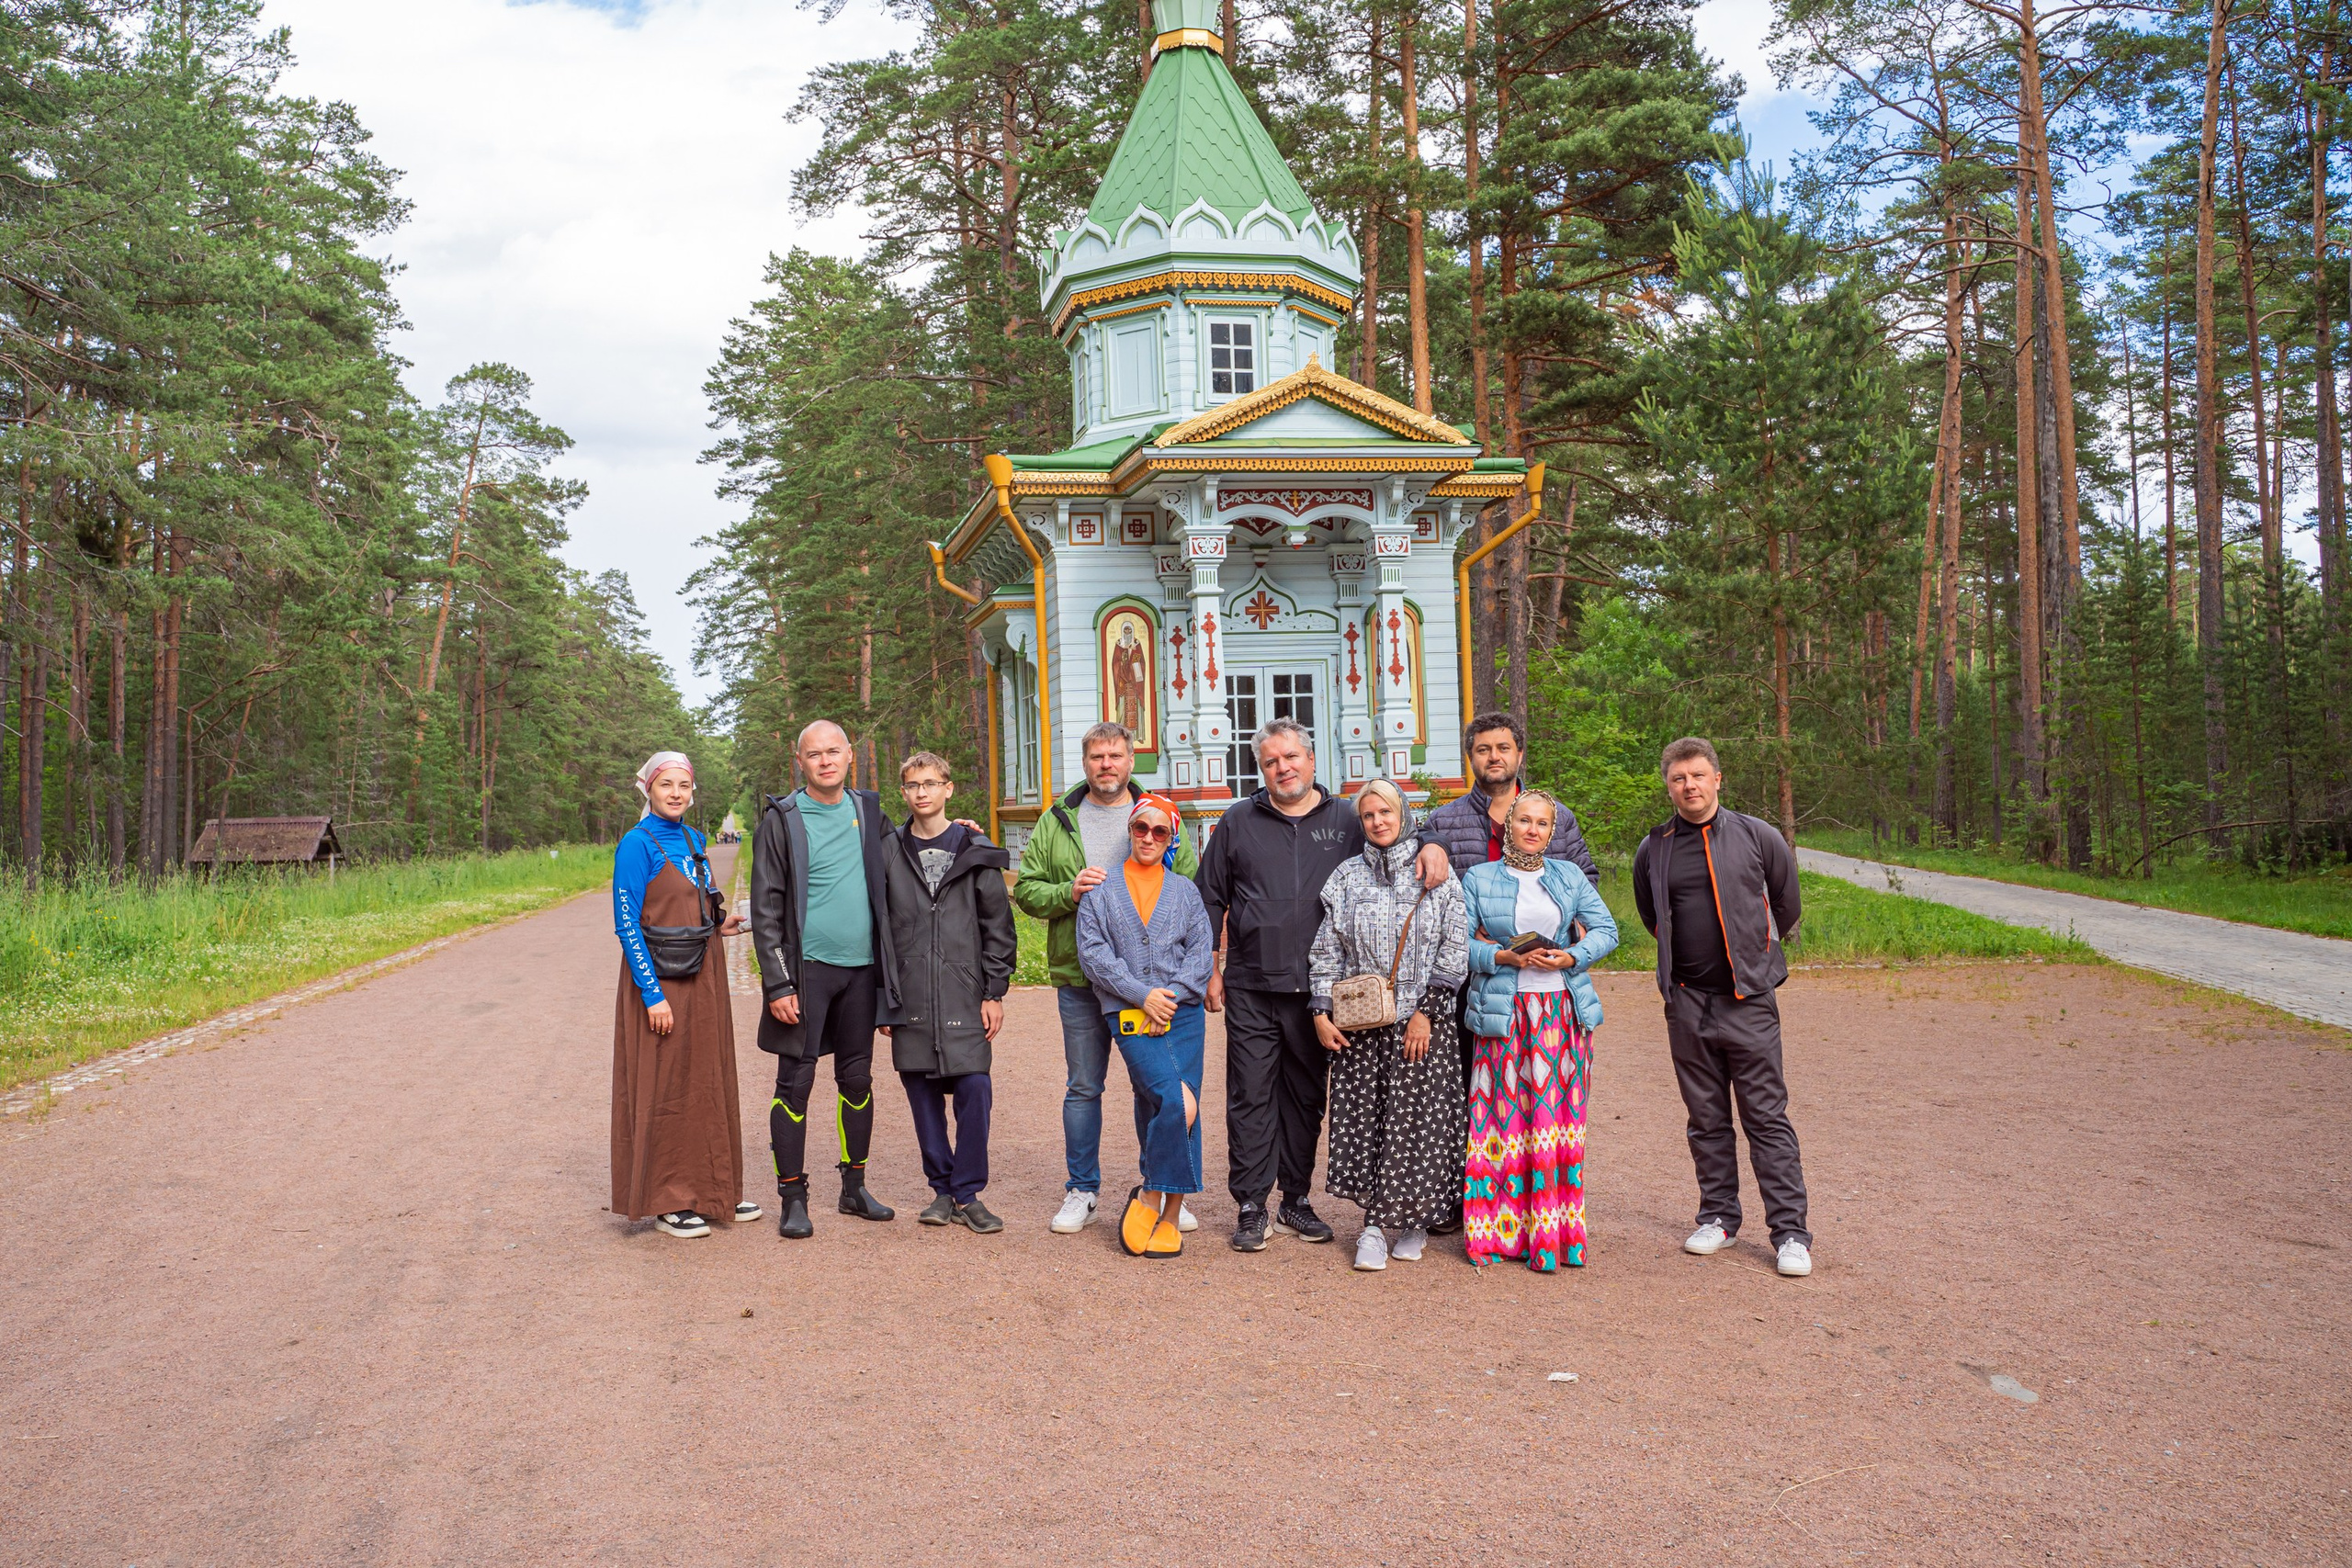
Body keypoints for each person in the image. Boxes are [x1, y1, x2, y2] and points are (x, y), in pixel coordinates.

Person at [1199, 718, 1449, 1252]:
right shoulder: (1238, 821)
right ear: (1260, 769)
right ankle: (1250, 1204)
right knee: (1250, 1095)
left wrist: (1432, 842)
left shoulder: (1346, 817)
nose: (1282, 768)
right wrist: (1211, 968)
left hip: (1325, 995)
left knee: (1308, 1098)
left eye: (1291, 757)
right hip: (1252, 984)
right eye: (1270, 761)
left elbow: (1394, 827)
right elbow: (1209, 900)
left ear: (1311, 760)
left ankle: (1295, 1199)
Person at [1630, 738, 1814, 1279]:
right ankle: (1719, 1217)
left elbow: (1787, 902)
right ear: (1669, 786)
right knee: (1706, 1119)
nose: (1689, 786)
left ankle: (1790, 1234)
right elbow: (1651, 914)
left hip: (1749, 1001)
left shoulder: (1759, 836)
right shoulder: (1654, 847)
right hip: (1687, 1004)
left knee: (1766, 1117)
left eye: (1698, 776)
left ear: (1717, 779)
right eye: (1678, 779)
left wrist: (1756, 961)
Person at [1012, 721, 1200, 1236]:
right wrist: (1067, 892)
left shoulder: (1157, 814)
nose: (1107, 765)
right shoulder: (1058, 820)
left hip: (1150, 987)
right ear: (1086, 761)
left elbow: (1186, 884)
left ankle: (1161, 1190)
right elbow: (1027, 889)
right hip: (1081, 975)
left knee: (1156, 1088)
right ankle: (1082, 1189)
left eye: (1116, 755)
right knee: (1083, 1085)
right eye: (1097, 756)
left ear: (1130, 759)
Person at [750, 719, 904, 1240]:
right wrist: (778, 984)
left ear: (849, 756)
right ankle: (793, 1197)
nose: (825, 761)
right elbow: (766, 905)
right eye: (814, 754)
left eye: (833, 752)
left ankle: (854, 1189)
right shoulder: (783, 819)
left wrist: (958, 832)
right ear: (801, 762)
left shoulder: (869, 811)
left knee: (857, 1080)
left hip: (862, 972)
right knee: (795, 1083)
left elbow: (903, 861)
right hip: (807, 971)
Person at [1307, 778, 1469, 1272]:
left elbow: (1455, 948)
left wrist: (1428, 1011)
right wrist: (1320, 1010)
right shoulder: (1345, 877)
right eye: (1369, 815)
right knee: (1369, 1124)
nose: (1378, 822)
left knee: (1421, 1127)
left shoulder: (1436, 877)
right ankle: (1375, 1227)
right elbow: (1327, 947)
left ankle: (1415, 1221)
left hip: (1423, 1026)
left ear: (1404, 814)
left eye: (1386, 812)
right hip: (1362, 1026)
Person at [1460, 789, 1618, 1270]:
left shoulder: (1568, 876)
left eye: (1543, 824)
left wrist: (1572, 955)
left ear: (1552, 831)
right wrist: (1502, 956)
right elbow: (1456, 942)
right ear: (1508, 824)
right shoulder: (1479, 877)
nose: (1533, 830)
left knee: (1554, 1126)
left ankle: (1553, 1237)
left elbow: (1607, 930)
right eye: (1524, 820)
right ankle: (1496, 1236)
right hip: (1503, 1015)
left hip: (1561, 1017)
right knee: (1499, 1125)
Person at [610, 751, 755, 1238]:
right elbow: (627, 924)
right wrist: (652, 995)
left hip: (704, 976)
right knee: (666, 1085)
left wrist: (722, 927)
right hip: (661, 982)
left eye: (684, 786)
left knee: (706, 1080)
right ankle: (670, 1198)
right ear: (648, 789)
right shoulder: (636, 844)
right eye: (666, 784)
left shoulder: (694, 839)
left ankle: (715, 1191)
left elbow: (700, 905)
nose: (676, 793)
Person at [881, 751, 1018, 1234]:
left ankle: (969, 1192)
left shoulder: (974, 849)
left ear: (948, 788)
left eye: (931, 783)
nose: (922, 792)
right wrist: (886, 995)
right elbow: (878, 929)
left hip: (964, 992)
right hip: (912, 996)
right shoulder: (888, 851)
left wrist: (994, 991)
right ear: (904, 793)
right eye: (913, 785)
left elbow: (998, 926)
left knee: (975, 1089)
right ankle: (941, 1191)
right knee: (921, 1096)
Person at [1074, 794, 1216, 1259]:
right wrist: (1144, 997)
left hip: (1183, 1014)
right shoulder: (1101, 889)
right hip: (1129, 1014)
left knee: (1169, 1104)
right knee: (1172, 1098)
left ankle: (1169, 1213)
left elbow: (1200, 951)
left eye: (1160, 832)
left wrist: (1168, 998)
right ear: (1130, 832)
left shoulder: (1186, 891)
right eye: (1141, 829)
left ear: (1172, 839)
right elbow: (1094, 955)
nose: (1149, 838)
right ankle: (1152, 1193)